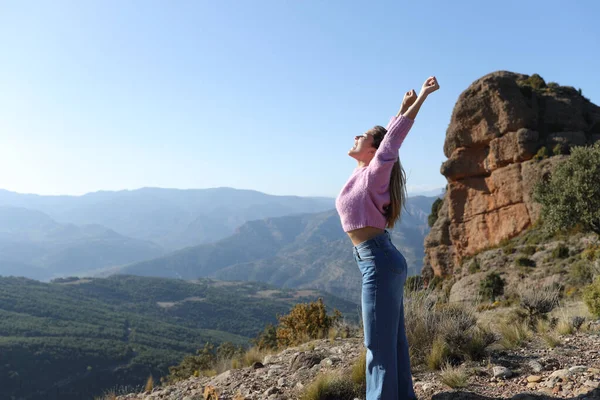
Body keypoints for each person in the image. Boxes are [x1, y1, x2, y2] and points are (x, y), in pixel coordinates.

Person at [335, 76, 440, 400]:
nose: (355, 136)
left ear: (372, 148)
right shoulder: (362, 172)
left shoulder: (378, 169)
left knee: (377, 347)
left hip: (378, 262)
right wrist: (401, 106)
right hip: (380, 260)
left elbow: (392, 140)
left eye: (361, 135)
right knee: (392, 343)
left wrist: (421, 98)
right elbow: (388, 137)